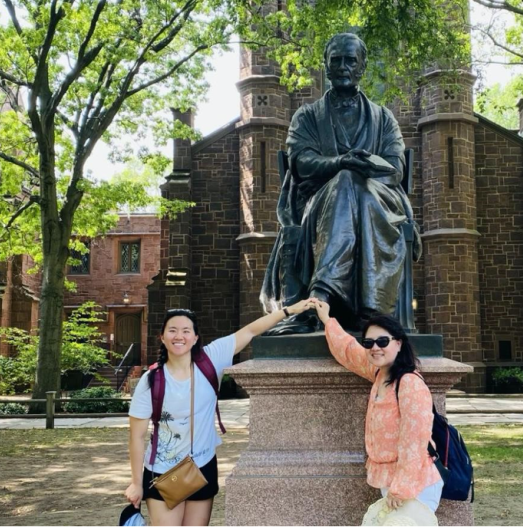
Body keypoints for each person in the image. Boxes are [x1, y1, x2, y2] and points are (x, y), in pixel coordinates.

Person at [261, 32, 421, 333]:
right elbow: (300, 161)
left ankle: (320, 295)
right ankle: (370, 310)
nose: (343, 66)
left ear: (362, 67)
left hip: (378, 204)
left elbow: (395, 167)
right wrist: (340, 164)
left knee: (354, 183)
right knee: (345, 179)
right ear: (326, 65)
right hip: (319, 205)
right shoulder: (307, 117)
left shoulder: (384, 119)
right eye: (336, 60)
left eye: (350, 60)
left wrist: (362, 170)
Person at [125, 299, 314, 526]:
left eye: (186, 331)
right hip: (162, 471)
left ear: (195, 338)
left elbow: (251, 330)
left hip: (202, 465)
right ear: (162, 337)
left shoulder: (211, 359)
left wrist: (288, 310)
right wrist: (136, 483)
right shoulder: (151, 380)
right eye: (172, 330)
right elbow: (136, 437)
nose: (179, 336)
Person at [312, 299, 442, 521]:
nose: (375, 348)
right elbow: (348, 349)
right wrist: (326, 319)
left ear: (398, 343)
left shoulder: (409, 383)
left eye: (383, 341)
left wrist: (401, 488)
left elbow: (415, 439)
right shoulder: (379, 374)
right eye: (369, 342)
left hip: (415, 484)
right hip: (391, 482)